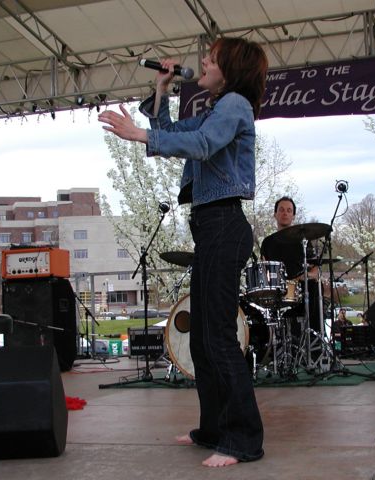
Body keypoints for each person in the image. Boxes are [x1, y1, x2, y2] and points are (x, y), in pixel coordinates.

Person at [99, 37, 268, 467]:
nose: (203, 64)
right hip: (210, 226)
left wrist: (140, 135)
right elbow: (172, 132)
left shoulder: (234, 106)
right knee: (201, 340)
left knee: (219, 337)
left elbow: (203, 145)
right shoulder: (215, 110)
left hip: (224, 225)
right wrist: (161, 90)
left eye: (210, 59)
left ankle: (244, 439)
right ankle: (213, 429)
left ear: (230, 70)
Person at [260, 197, 323, 347]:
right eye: (281, 210)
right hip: (276, 290)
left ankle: (314, 347)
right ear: (275, 214)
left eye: (289, 210)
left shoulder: (304, 242)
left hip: (301, 289)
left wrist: (305, 276)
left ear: (293, 215)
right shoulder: (268, 242)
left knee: (315, 288)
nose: (285, 213)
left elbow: (316, 270)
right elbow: (263, 269)